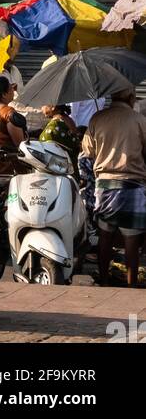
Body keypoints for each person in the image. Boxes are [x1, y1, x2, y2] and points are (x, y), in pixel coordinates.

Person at [80, 87, 146, 288]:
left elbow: (87, 152)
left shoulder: (97, 119)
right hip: (132, 186)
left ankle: (105, 281)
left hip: (105, 185)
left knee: (105, 238)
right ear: (130, 97)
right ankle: (131, 285)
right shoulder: (139, 120)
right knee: (131, 243)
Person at [39, 104, 80, 172]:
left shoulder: (54, 125)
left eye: (44, 105)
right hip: (73, 165)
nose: (41, 108)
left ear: (53, 107)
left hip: (61, 169)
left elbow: (44, 146)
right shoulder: (67, 118)